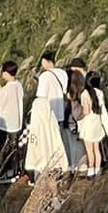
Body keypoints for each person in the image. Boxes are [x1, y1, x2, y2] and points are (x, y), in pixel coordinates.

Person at [24, 52, 70, 183]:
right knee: (59, 142)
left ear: (45, 61)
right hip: (60, 111)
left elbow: (41, 97)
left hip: (47, 115)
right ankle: (61, 168)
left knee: (47, 143)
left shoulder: (44, 76)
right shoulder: (63, 73)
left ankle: (47, 170)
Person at [0, 61, 26, 182]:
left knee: (5, 149)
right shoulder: (18, 85)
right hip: (16, 122)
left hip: (6, 124)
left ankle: (7, 174)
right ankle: (15, 170)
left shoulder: (6, 89)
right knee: (15, 148)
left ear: (6, 73)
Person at [75, 74, 108, 177]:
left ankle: (91, 170)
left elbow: (86, 111)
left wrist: (79, 116)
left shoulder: (84, 94)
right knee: (96, 149)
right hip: (97, 122)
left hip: (88, 123)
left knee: (89, 150)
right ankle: (98, 169)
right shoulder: (100, 93)